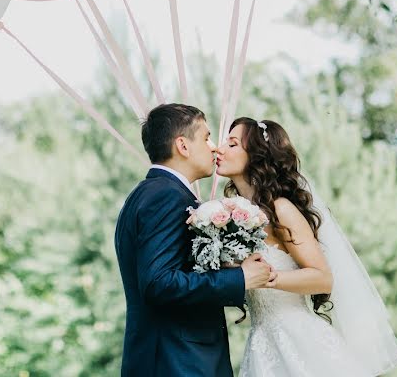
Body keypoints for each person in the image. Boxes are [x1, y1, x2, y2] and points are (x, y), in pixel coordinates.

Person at [216, 117, 397, 376]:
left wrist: (268, 277)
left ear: (256, 155)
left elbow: (323, 279)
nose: (220, 148)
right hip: (261, 342)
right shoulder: (231, 216)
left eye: (232, 143)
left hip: (299, 341)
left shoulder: (280, 209)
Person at [115, 103, 276, 377]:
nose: (214, 147)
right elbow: (158, 284)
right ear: (183, 146)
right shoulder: (165, 197)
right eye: (206, 137)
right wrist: (240, 279)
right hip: (176, 362)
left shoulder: (151, 193)